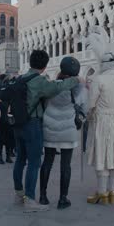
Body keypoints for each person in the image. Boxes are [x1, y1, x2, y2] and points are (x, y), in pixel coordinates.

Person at [13, 50, 83, 212]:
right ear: (44, 66)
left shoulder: (22, 78)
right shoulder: (41, 82)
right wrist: (78, 80)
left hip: (21, 124)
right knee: (36, 163)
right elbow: (60, 87)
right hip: (35, 125)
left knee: (22, 160)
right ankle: (34, 199)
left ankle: (23, 194)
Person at [85, 53, 114, 205]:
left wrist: (91, 116)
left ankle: (102, 192)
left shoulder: (98, 79)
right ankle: (112, 192)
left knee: (103, 155)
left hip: (103, 121)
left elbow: (91, 104)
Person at [40, 57, 87, 210]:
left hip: (50, 127)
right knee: (65, 166)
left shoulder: (51, 86)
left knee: (47, 162)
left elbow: (45, 102)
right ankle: (62, 199)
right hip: (68, 129)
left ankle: (42, 196)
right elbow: (83, 105)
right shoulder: (77, 87)